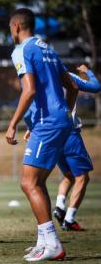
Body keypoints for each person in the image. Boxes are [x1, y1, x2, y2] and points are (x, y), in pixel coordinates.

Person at [6, 8, 78, 261]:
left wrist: (13, 123)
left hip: (47, 124)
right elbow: (72, 85)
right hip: (59, 122)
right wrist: (65, 112)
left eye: (10, 29)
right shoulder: (48, 48)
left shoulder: (22, 50)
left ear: (16, 27)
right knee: (37, 182)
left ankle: (54, 244)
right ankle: (43, 242)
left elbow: (30, 90)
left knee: (28, 183)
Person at [23, 64, 100, 231]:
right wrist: (88, 72)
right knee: (82, 178)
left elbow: (31, 106)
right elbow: (96, 87)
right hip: (69, 131)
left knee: (68, 175)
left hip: (50, 133)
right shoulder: (68, 76)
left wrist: (31, 127)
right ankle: (70, 219)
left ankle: (59, 207)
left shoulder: (38, 79)